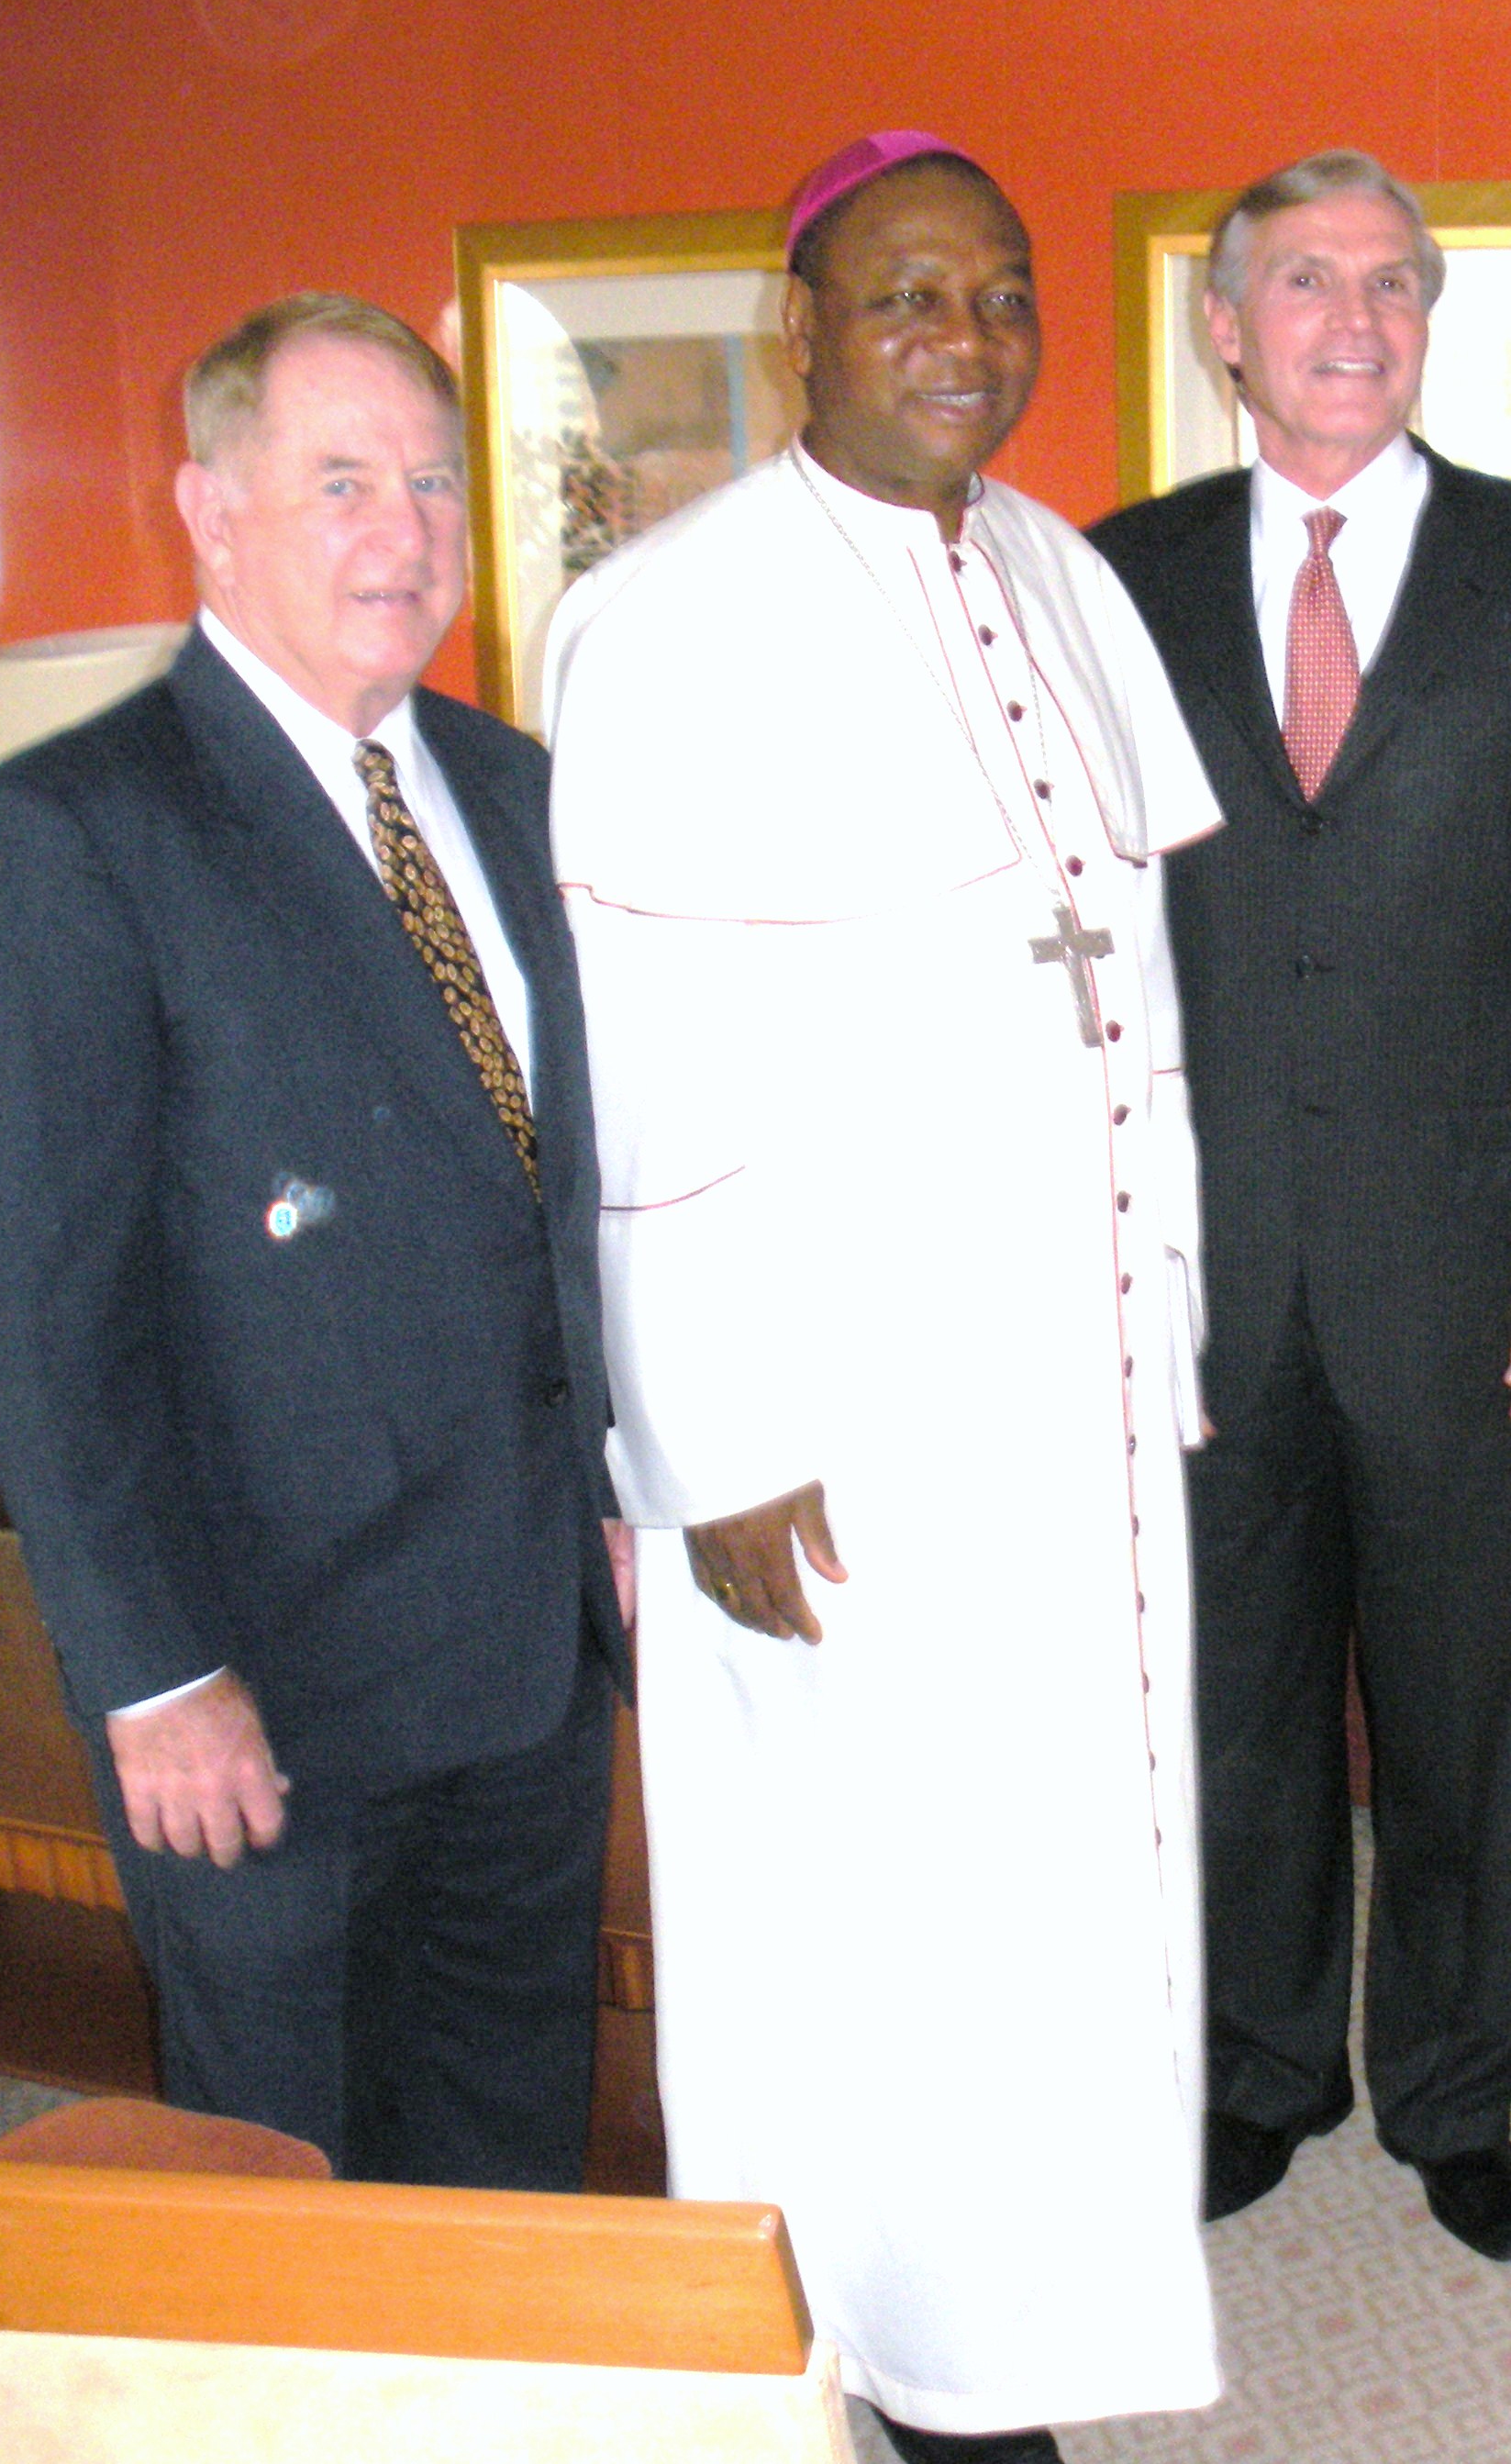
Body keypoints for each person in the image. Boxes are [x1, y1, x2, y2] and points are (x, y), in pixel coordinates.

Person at [544, 135, 1219, 2459]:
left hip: (1082, 1382)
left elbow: (1140, 997)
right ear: (801, 324)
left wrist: (1177, 1317)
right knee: (888, 1904)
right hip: (848, 1406)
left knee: (1064, 1886)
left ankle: (1047, 2308)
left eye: (1007, 297)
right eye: (912, 297)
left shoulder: (1061, 575)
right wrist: (707, 1437)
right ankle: (916, 2366)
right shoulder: (669, 617)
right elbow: (646, 1074)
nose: (969, 340)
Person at [0, 294, 622, 2188]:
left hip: (530, 1651)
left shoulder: (514, 787)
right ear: (209, 512)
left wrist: (621, 1485)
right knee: (288, 2184)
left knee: (503, 2141)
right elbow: (35, 1315)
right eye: (337, 484)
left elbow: (559, 1199)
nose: (402, 532)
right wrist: (149, 1675)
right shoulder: (69, 838)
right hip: (265, 1686)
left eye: (431, 484)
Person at [1088, 151, 1511, 2266]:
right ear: (1226, 327)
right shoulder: (1115, 578)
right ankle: (1263, 2075)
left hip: (1474, 1278)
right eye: (1306, 282)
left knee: (1463, 1716)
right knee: (1240, 1712)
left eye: (1391, 285)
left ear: (1429, 323)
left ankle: (1453, 2093)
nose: (1353, 318)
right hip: (1207, 1268)